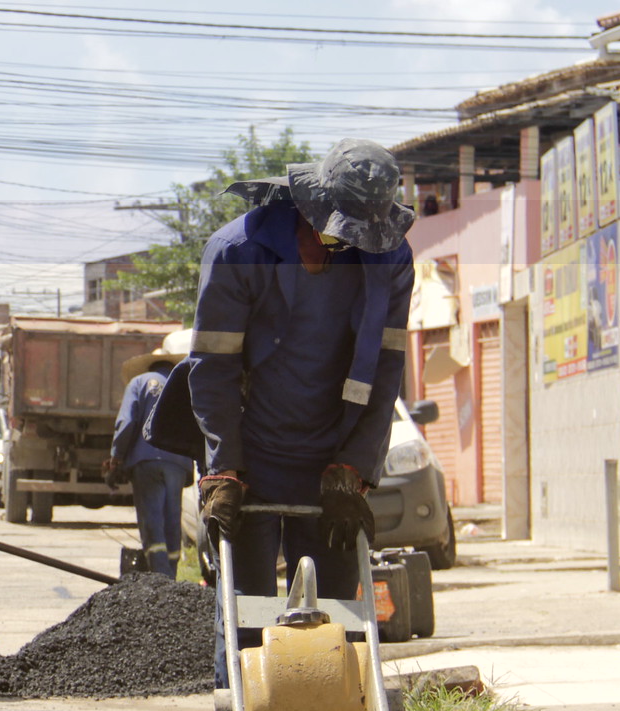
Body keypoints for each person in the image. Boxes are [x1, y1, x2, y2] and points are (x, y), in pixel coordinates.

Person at [155, 138, 415, 606]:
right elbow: (213, 367)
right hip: (248, 449)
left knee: (333, 614)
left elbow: (387, 367)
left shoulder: (390, 259)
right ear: (313, 206)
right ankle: (241, 680)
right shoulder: (238, 250)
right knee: (245, 609)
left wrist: (354, 466)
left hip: (331, 454)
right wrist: (223, 468)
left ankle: (330, 683)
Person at [105, 329, 195, 578]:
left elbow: (127, 423)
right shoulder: (184, 385)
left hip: (145, 461)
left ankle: (158, 576)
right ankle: (172, 576)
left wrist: (117, 458)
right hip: (178, 461)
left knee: (151, 517)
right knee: (172, 519)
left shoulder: (139, 383)